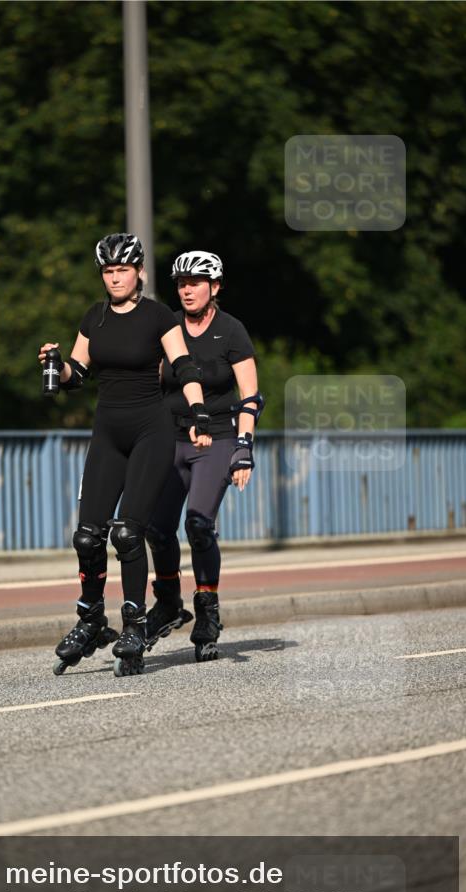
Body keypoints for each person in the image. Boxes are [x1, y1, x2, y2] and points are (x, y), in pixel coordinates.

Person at [38, 233, 212, 676]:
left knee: (128, 533)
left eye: (123, 270)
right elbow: (79, 373)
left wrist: (198, 412)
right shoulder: (94, 317)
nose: (115, 278)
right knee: (87, 536)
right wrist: (57, 364)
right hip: (108, 433)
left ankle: (134, 625)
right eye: (108, 271)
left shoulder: (157, 316)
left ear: (139, 273)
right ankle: (91, 619)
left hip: (151, 431)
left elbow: (184, 365)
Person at [145, 250, 263, 661]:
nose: (186, 290)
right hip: (169, 439)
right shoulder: (168, 327)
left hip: (216, 439)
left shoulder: (231, 331)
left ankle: (207, 613)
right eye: (181, 283)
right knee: (156, 528)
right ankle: (167, 604)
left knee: (197, 524)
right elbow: (149, 385)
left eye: (195, 283)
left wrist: (243, 447)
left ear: (214, 287)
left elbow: (250, 396)